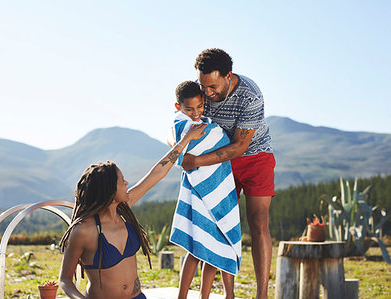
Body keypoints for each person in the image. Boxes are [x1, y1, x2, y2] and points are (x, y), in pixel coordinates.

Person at [58, 123, 206, 299]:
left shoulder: (123, 210)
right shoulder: (84, 230)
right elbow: (65, 279)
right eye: (122, 181)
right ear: (109, 191)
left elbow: (157, 173)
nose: (127, 183)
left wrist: (186, 139)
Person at [182, 48, 275, 299]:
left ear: (228, 75)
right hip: (220, 161)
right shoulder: (202, 91)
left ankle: (262, 294)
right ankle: (228, 294)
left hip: (256, 156)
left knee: (258, 221)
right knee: (219, 222)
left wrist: (197, 160)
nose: (207, 93)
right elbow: (180, 118)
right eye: (204, 87)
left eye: (212, 87)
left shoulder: (250, 95)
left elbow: (240, 146)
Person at [168, 81, 242, 299]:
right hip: (200, 195)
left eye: (200, 107)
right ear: (178, 106)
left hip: (220, 191)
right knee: (195, 250)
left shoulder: (205, 122)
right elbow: (182, 152)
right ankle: (182, 297)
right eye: (189, 109)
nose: (196, 113)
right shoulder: (182, 125)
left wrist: (214, 134)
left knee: (220, 246)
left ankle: (218, 296)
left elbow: (220, 139)